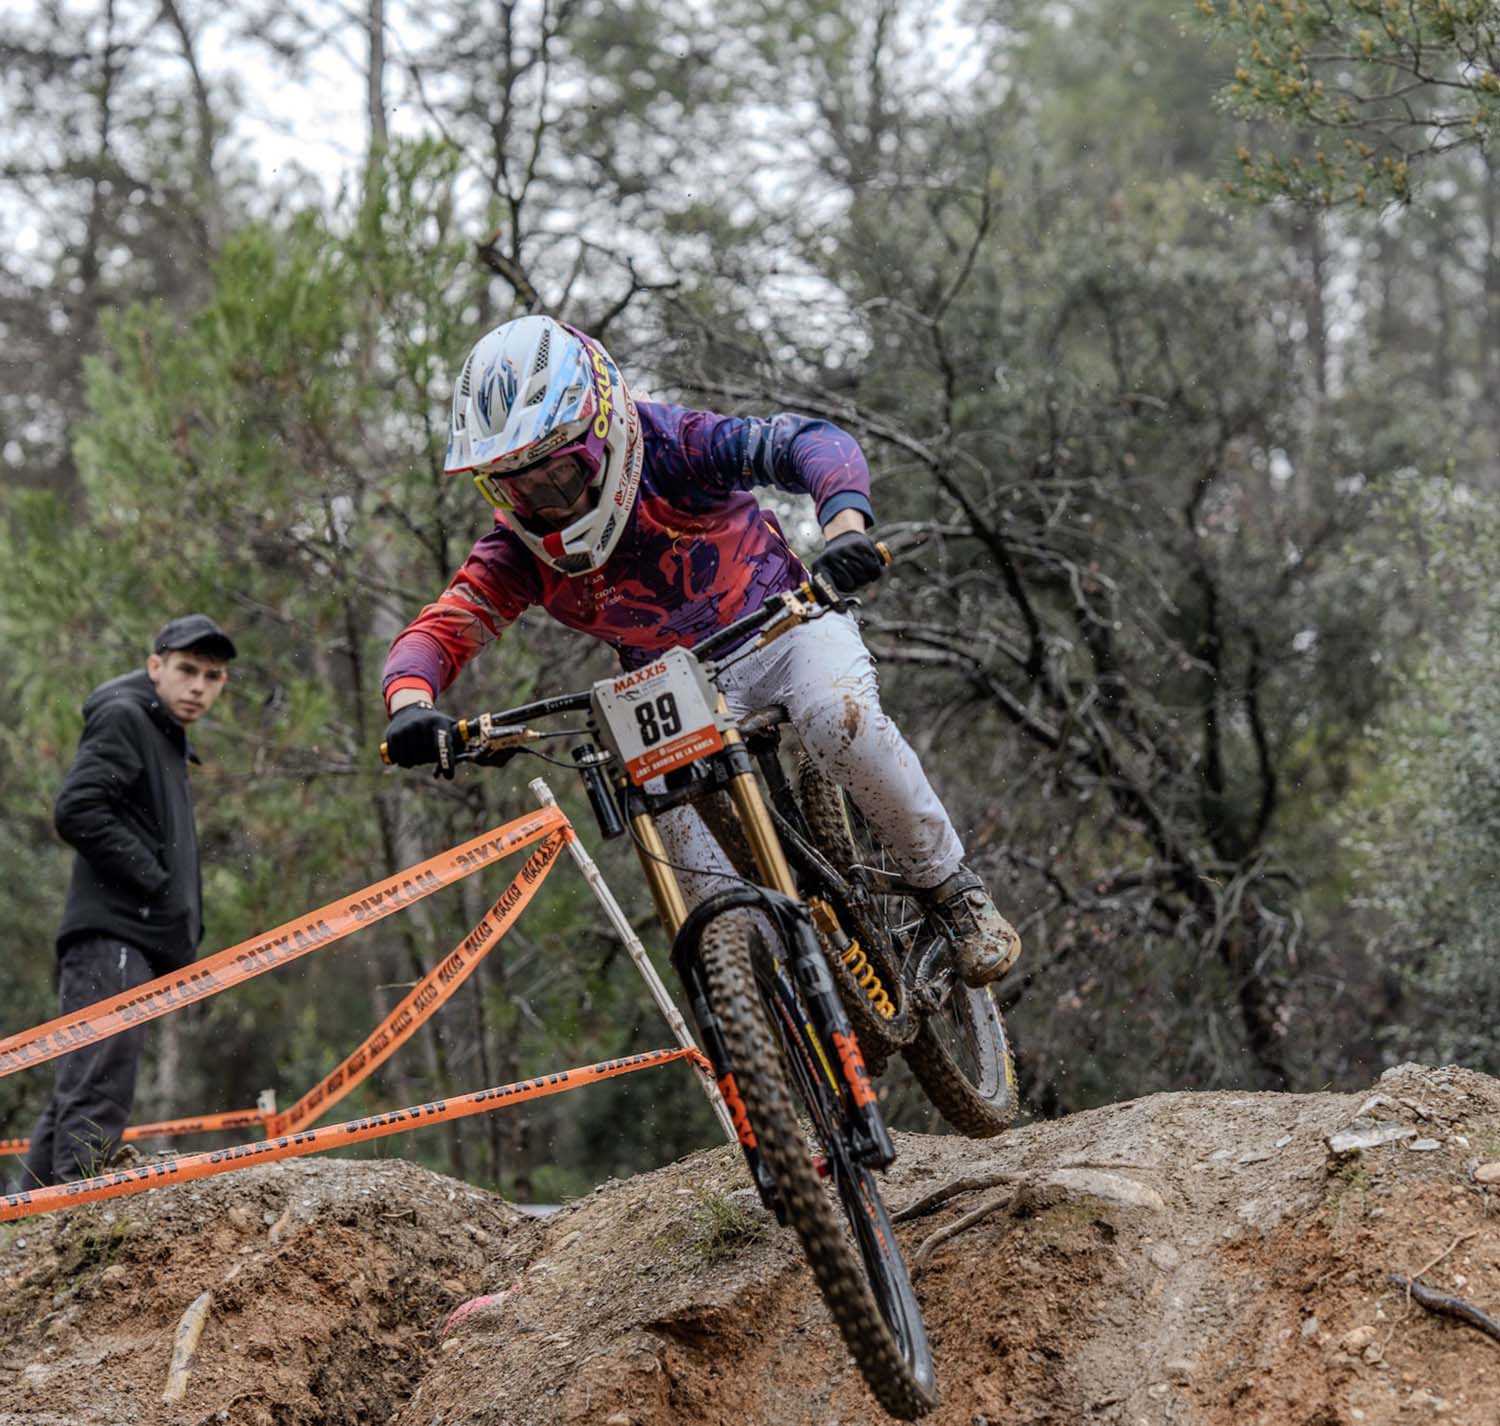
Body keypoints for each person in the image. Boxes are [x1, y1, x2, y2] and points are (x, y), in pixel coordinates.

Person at [380, 315, 1019, 985]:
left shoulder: (673, 445)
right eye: (518, 487)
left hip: (782, 624)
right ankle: (774, 1011)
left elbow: (808, 443)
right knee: (706, 895)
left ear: (599, 432)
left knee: (839, 720)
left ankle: (950, 890)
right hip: (667, 690)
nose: (545, 503)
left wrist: (845, 528)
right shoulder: (516, 551)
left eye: (557, 477)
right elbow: (443, 626)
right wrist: (411, 705)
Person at [17, 614, 237, 1188]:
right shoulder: (124, 716)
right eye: (187, 670)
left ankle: (21, 1231)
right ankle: (74, 1225)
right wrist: (154, 882)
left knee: (84, 1080)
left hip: (130, 936)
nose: (198, 687)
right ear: (155, 666)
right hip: (112, 937)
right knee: (98, 1083)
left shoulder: (161, 729)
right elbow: (78, 808)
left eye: (212, 677)